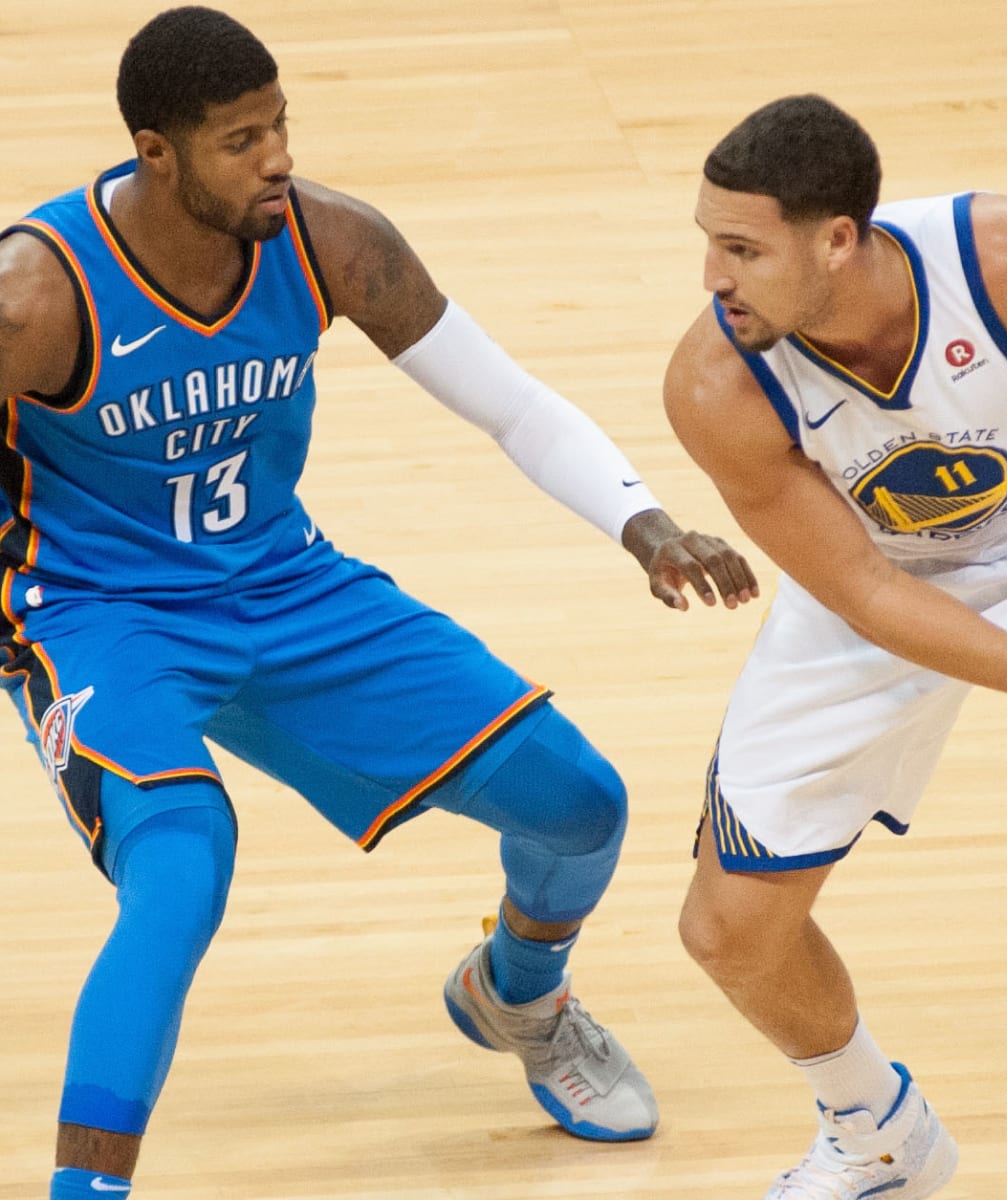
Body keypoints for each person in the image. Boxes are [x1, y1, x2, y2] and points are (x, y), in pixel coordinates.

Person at [0, 8, 761, 1197]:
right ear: (157, 153)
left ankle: (517, 997)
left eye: (282, 125)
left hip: (283, 583)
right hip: (99, 612)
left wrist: (645, 525)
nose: (279, 159)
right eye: (241, 140)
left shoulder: (331, 243)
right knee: (185, 864)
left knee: (580, 805)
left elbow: (511, 405)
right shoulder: (35, 296)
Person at [665, 92, 1007, 1200]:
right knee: (731, 932)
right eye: (708, 243)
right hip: (879, 585)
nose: (713, 280)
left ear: (838, 240)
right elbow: (862, 591)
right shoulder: (719, 382)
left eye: (741, 249)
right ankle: (878, 1134)